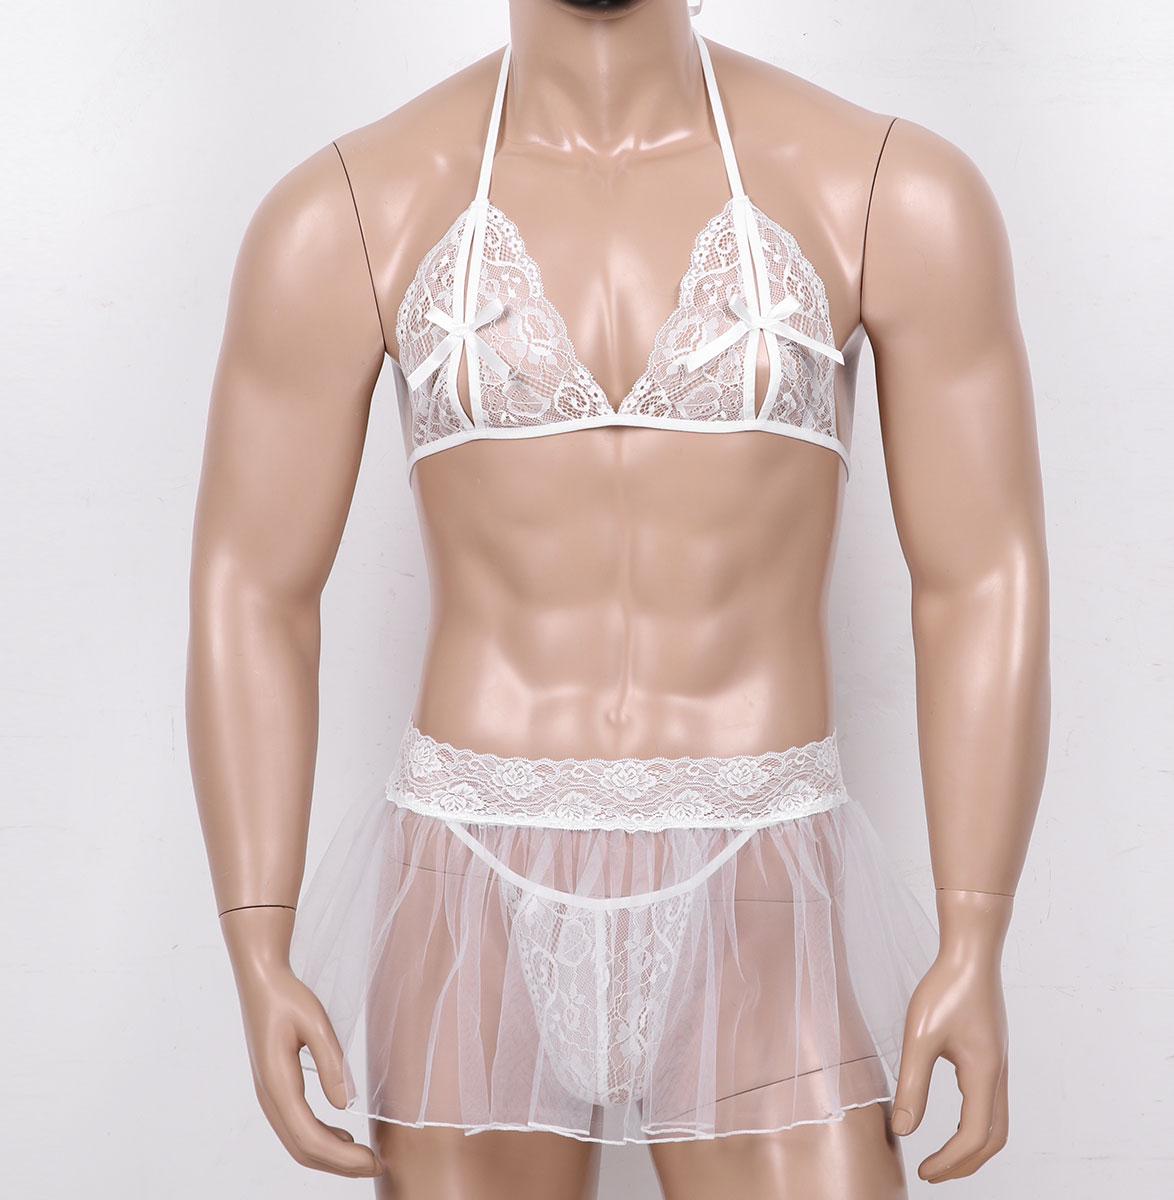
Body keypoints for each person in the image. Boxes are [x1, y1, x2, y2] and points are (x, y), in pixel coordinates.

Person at [187, 2, 1049, 1196]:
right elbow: (253, 590)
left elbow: (980, 579)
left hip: (759, 868)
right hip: (471, 878)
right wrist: (256, 942)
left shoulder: (888, 191)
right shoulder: (346, 211)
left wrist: (975, 934)